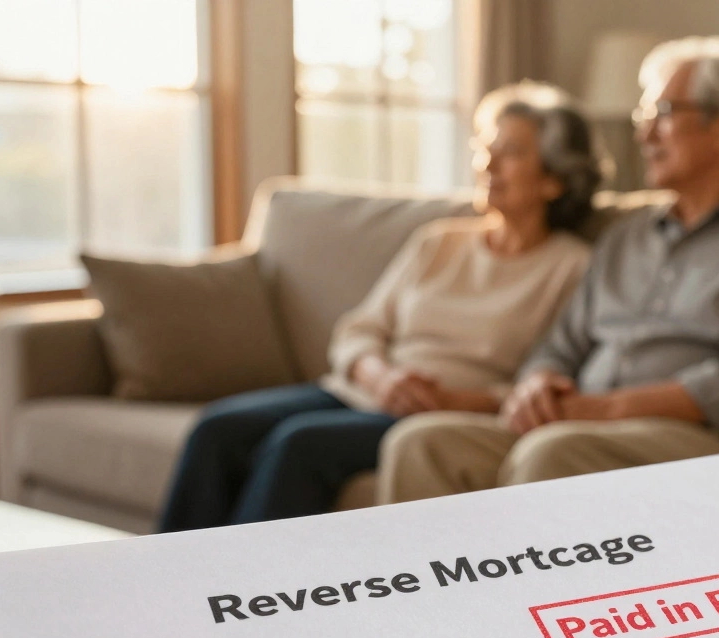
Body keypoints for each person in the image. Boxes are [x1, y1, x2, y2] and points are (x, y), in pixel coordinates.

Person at [376, 37, 719, 504]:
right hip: (593, 430)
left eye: (662, 116)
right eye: (643, 117)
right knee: (421, 443)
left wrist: (607, 409)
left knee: (553, 454)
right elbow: (560, 345)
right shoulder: (627, 235)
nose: (644, 135)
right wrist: (539, 382)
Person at [159, 82, 606, 531]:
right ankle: (160, 584)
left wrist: (450, 399)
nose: (487, 163)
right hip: (363, 390)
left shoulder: (572, 268)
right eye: (485, 148)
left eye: (509, 152)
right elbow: (360, 329)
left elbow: (553, 377)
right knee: (215, 430)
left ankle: (237, 591)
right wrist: (381, 375)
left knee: (299, 444)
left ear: (554, 178)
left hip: (437, 416)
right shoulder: (439, 241)